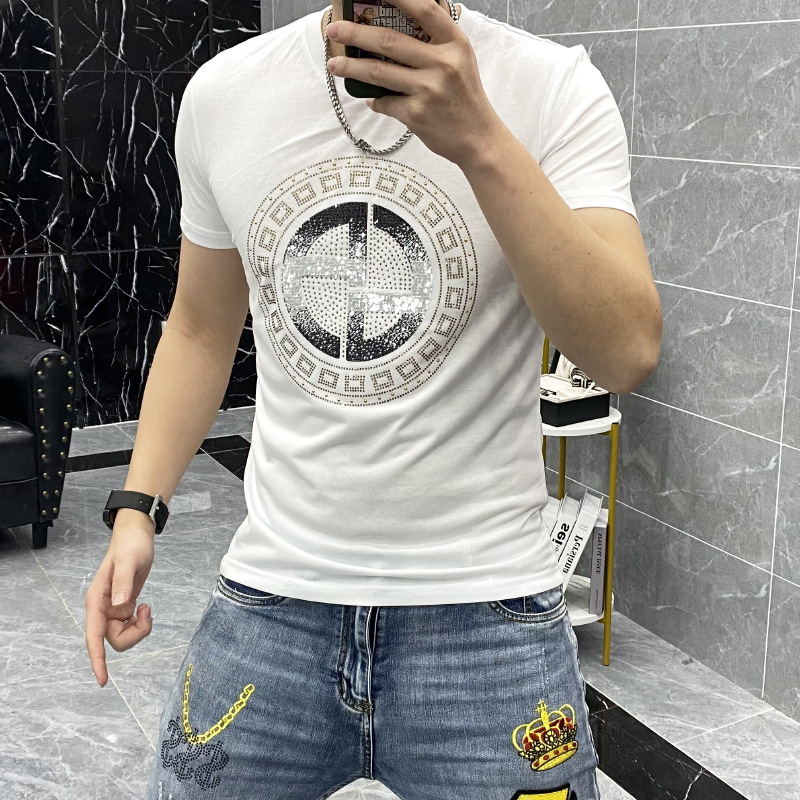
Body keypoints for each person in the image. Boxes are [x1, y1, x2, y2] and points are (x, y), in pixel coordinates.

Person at [84, 0, 662, 798]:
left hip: (490, 616)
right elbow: (199, 329)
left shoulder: (554, 88)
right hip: (274, 599)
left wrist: (481, 140)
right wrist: (137, 508)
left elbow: (625, 350)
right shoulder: (225, 94)